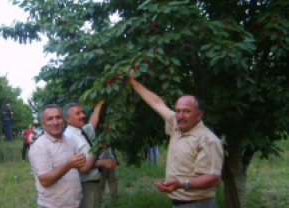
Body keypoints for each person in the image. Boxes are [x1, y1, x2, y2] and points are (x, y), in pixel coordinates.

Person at [129, 71, 224, 208]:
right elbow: (157, 103)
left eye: (186, 111)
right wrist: (134, 83)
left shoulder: (207, 140)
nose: (180, 115)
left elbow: (213, 179)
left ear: (199, 115)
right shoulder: (177, 125)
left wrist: (180, 184)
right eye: (178, 110)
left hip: (198, 204)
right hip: (179, 204)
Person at [29, 104, 87, 208]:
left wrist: (98, 151)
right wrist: (68, 165)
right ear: (43, 124)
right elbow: (45, 181)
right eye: (50, 119)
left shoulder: (70, 142)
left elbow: (82, 168)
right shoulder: (39, 146)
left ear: (63, 120)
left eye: (58, 117)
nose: (55, 122)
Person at [63, 101, 118, 208]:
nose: (83, 115)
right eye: (78, 113)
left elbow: (92, 124)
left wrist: (99, 105)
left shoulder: (81, 130)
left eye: (82, 112)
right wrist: (102, 160)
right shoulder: (69, 137)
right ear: (68, 119)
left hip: (93, 183)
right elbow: (83, 167)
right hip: (86, 185)